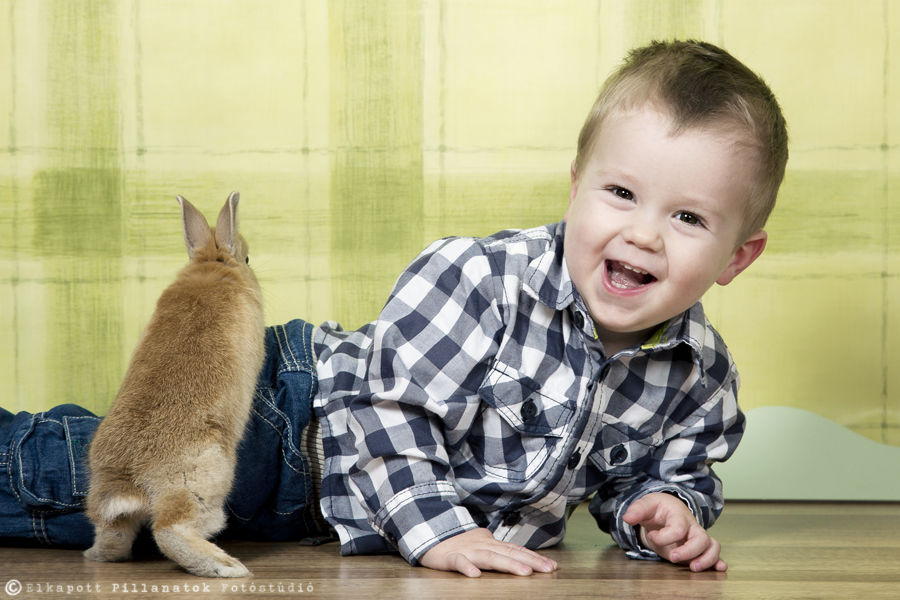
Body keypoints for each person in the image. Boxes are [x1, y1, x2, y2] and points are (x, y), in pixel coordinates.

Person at [0, 39, 788, 577]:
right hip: (292, 424)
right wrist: (441, 531)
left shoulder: (700, 378)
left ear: (737, 257)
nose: (643, 234)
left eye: (689, 218)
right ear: (576, 188)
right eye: (621, 193)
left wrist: (660, 508)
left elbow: (661, 469)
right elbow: (388, 415)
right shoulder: (483, 279)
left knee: (150, 537)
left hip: (318, 517)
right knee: (67, 484)